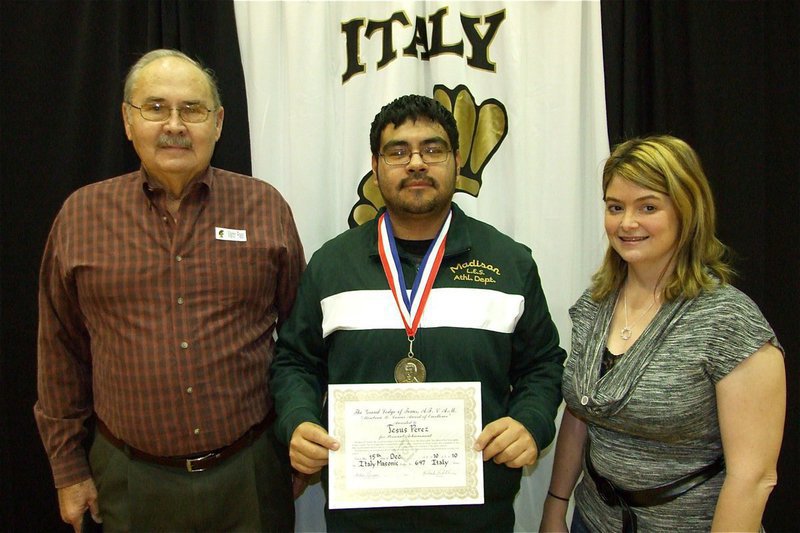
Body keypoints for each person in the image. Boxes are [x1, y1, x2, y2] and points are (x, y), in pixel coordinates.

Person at [34, 49, 305, 532]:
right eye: (155, 108)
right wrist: (68, 469)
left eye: (192, 109)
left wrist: (296, 439)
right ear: (127, 120)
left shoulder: (265, 207)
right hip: (130, 480)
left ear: (219, 123)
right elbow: (60, 351)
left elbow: (301, 343)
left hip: (250, 475)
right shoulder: (81, 215)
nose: (174, 124)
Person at [270, 94, 566, 531]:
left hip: (477, 514)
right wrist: (298, 421)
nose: (416, 163)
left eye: (433, 149)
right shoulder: (331, 265)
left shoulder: (509, 263)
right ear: (376, 165)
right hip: (362, 516)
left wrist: (530, 422)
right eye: (397, 151)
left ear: (457, 160)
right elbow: (295, 361)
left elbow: (543, 364)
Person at [539, 135, 785, 532]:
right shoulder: (595, 304)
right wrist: (555, 507)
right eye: (615, 207)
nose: (626, 223)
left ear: (686, 212)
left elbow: (754, 477)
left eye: (648, 207)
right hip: (593, 519)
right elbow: (581, 411)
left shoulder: (729, 320)